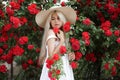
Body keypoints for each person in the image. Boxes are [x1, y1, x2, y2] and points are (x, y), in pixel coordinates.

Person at [35, 5, 77, 80]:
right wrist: (61, 41)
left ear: (62, 20)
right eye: (53, 19)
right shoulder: (51, 32)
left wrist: (71, 55)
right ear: (50, 22)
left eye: (58, 18)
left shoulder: (62, 34)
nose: (56, 21)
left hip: (64, 68)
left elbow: (63, 53)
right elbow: (51, 56)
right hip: (54, 69)